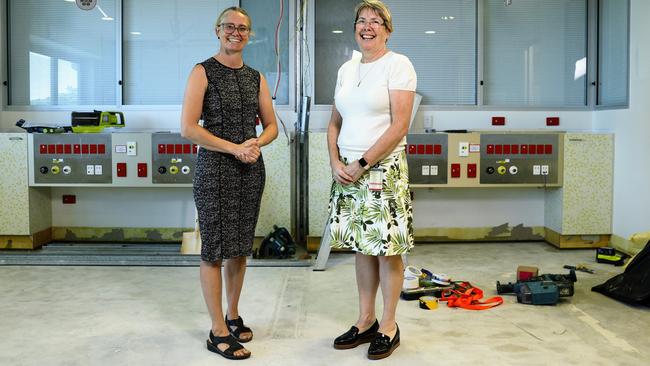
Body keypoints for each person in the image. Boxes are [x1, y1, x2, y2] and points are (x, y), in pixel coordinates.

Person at [180, 6, 278, 361]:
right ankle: (217, 331)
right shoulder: (202, 72)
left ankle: (232, 314)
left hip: (250, 170)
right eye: (229, 27)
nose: (235, 32)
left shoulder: (256, 77)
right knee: (214, 250)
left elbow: (271, 126)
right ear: (217, 30)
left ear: (250, 35)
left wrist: (255, 144)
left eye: (243, 28)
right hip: (214, 170)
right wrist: (234, 147)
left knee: (239, 248)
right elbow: (189, 128)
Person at [327, 0, 416, 361]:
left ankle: (389, 326)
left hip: (382, 169)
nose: (367, 27)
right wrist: (334, 161)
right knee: (361, 247)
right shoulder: (347, 69)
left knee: (387, 248)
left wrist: (363, 163)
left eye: (375, 22)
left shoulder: (399, 65)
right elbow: (334, 122)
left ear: (387, 29)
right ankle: (365, 320)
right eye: (361, 21)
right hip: (346, 170)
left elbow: (400, 126)